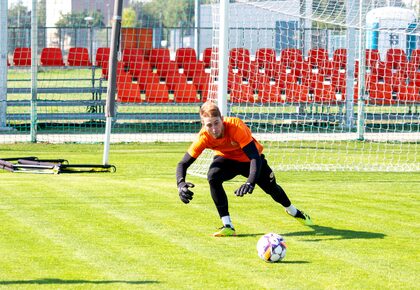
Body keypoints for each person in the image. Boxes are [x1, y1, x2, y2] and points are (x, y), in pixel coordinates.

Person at [176, 101, 313, 237]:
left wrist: (250, 182)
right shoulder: (203, 138)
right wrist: (180, 184)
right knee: (213, 177)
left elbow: (254, 157)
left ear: (222, 119)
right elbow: (182, 164)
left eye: (216, 123)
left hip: (250, 160)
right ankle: (228, 225)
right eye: (209, 125)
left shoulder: (236, 126)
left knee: (271, 188)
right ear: (203, 125)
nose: (214, 129)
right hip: (227, 160)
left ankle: (293, 211)